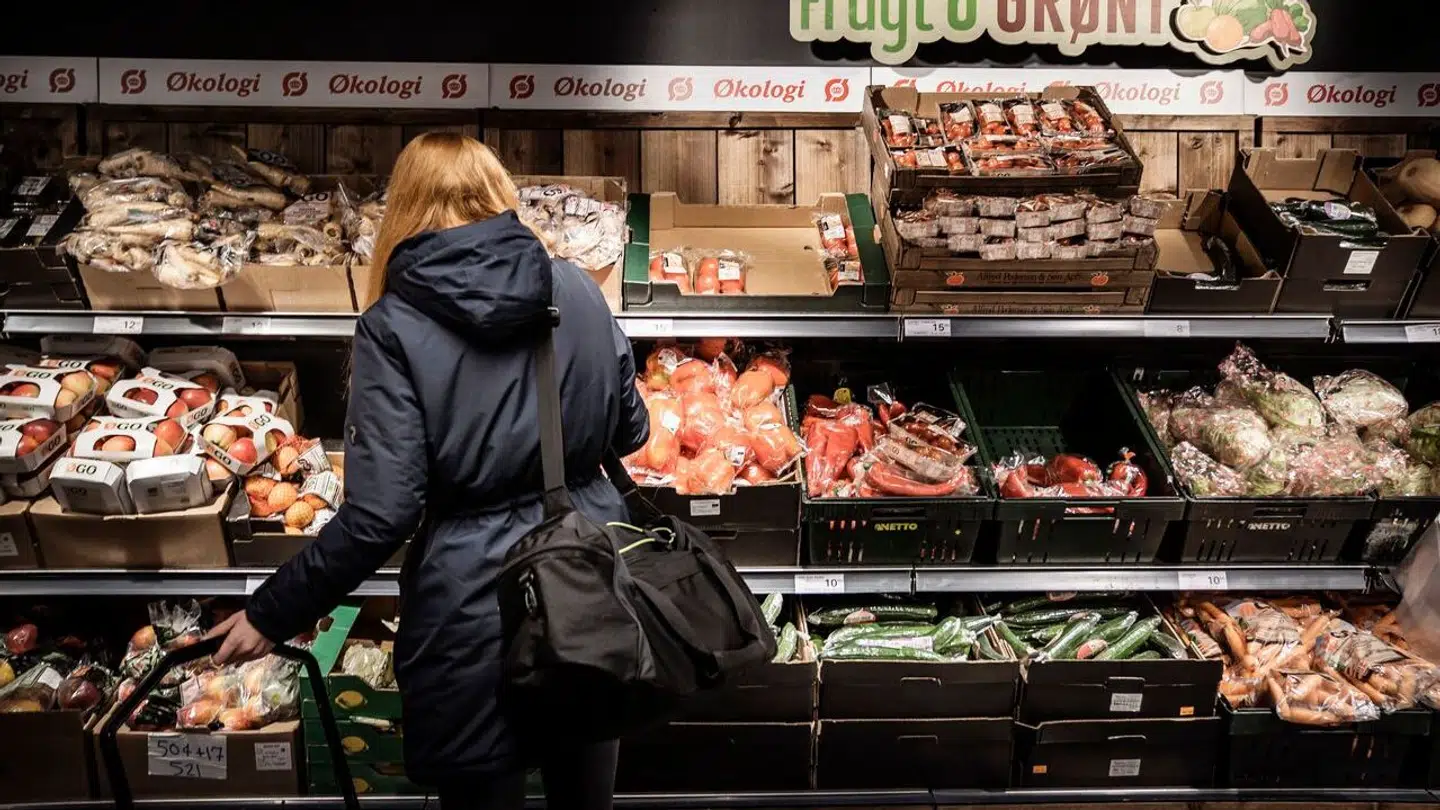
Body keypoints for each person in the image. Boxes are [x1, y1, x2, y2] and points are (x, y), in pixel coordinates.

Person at [205, 132, 649, 810]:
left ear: (404, 209)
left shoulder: (393, 324)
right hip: (587, 584)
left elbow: (385, 511)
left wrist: (273, 611)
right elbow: (632, 430)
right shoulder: (577, 289)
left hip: (474, 605)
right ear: (498, 193)